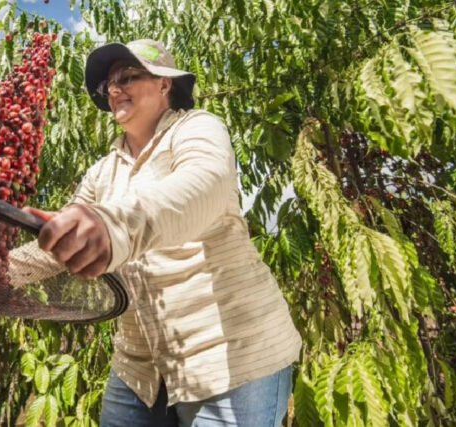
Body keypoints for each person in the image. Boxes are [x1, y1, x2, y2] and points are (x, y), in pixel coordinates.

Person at [23, 39, 303, 427]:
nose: (115, 89)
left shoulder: (197, 129)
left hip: (230, 358)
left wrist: (112, 225)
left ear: (164, 84)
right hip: (140, 366)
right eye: (108, 86)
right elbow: (62, 242)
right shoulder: (103, 173)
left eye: (127, 76)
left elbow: (205, 184)